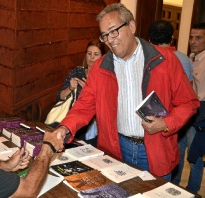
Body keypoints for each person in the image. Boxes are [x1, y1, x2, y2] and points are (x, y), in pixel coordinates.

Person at [54, 3, 199, 180]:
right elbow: (84, 105)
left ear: (131, 26)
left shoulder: (165, 60)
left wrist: (166, 123)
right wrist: (65, 127)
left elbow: (189, 102)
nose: (110, 40)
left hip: (154, 149)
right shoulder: (100, 67)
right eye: (104, 35)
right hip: (115, 149)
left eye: (114, 31)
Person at [147, 19, 199, 189]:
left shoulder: (145, 59)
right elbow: (189, 91)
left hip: (151, 122)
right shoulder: (183, 59)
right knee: (180, 152)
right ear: (172, 37)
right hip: (178, 118)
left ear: (149, 39)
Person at [51, 40, 105, 146]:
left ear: (102, 57)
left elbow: (104, 106)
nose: (92, 57)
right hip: (70, 121)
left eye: (96, 54)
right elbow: (59, 96)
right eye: (89, 53)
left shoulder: (104, 78)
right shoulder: (77, 72)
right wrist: (70, 88)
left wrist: (89, 91)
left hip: (91, 128)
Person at [185, 22, 205, 194]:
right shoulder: (192, 57)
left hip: (200, 116)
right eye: (192, 37)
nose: (193, 41)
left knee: (194, 157)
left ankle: (192, 192)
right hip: (189, 113)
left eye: (198, 38)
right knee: (183, 154)